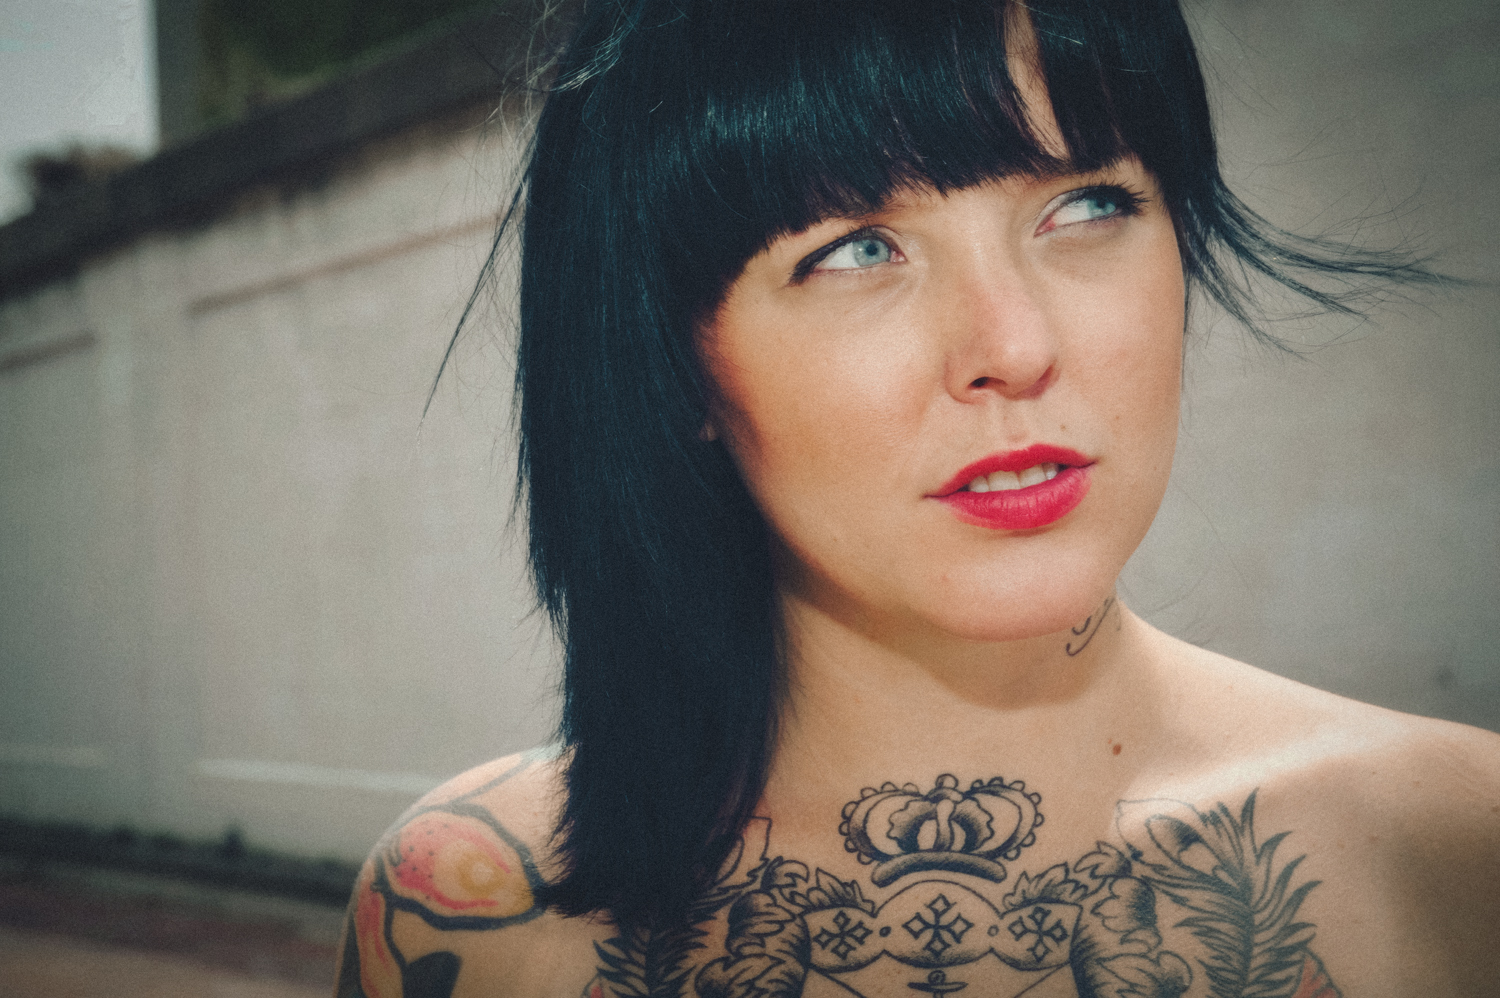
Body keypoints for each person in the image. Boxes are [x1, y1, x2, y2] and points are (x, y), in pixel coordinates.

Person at [334, 2, 1500, 996]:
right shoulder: (463, 913)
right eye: (855, 248)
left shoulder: (1452, 842)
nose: (1013, 345)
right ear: (676, 362)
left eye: (1086, 204)